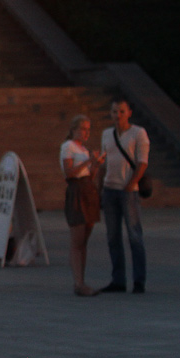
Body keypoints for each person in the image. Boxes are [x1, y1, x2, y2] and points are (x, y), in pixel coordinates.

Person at [97, 97, 150, 294]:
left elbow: (142, 162)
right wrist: (99, 187)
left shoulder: (138, 133)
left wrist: (131, 184)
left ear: (129, 113)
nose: (117, 116)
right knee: (113, 237)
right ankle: (118, 279)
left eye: (121, 111)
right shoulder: (107, 134)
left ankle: (139, 280)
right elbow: (104, 162)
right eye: (114, 112)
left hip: (128, 190)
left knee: (134, 235)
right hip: (109, 189)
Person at [60, 115, 105, 297]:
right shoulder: (68, 147)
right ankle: (78, 282)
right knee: (77, 240)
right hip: (77, 192)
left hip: (88, 191)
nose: (86, 132)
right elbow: (69, 173)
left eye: (88, 129)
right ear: (74, 129)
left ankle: (82, 280)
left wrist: (95, 164)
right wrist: (87, 161)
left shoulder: (83, 149)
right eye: (83, 129)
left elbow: (89, 175)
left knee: (84, 240)